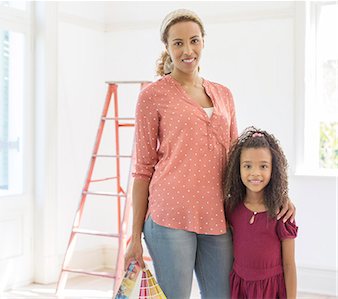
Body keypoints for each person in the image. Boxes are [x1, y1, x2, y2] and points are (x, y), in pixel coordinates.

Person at [123, 9, 296, 299]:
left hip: (217, 216)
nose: (187, 50)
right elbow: (142, 169)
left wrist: (278, 194)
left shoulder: (224, 94)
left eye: (194, 41)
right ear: (167, 47)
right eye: (178, 43)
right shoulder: (152, 96)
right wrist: (134, 235)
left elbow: (238, 162)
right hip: (168, 216)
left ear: (204, 42)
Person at [223, 127, 298, 298]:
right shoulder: (231, 208)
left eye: (263, 166)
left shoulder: (282, 213)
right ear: (238, 169)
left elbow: (289, 264)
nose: (255, 173)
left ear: (274, 170)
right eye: (247, 166)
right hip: (240, 287)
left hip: (271, 290)